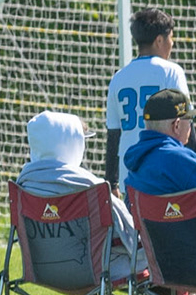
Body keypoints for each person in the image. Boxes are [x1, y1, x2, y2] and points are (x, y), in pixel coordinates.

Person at [17, 110, 143, 282]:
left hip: (41, 272)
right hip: (96, 271)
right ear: (72, 144)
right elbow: (132, 238)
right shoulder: (92, 188)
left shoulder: (22, 187)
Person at [104, 8, 190, 188]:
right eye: (171, 37)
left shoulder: (118, 77)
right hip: (165, 169)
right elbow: (185, 121)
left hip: (130, 172)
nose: (172, 43)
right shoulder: (172, 72)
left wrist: (111, 182)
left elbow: (113, 134)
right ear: (159, 40)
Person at [122, 90, 196, 194]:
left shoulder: (135, 160)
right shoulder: (180, 159)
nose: (190, 125)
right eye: (190, 119)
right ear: (176, 125)